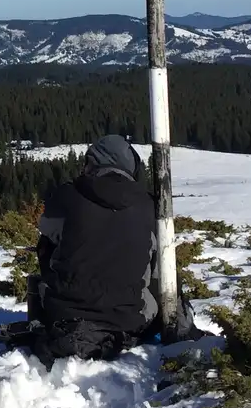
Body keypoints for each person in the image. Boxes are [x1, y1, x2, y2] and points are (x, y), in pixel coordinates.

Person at [27, 134, 157, 362]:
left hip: (67, 313)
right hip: (132, 317)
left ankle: (53, 310)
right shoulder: (150, 204)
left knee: (48, 247)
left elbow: (47, 230)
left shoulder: (68, 194)